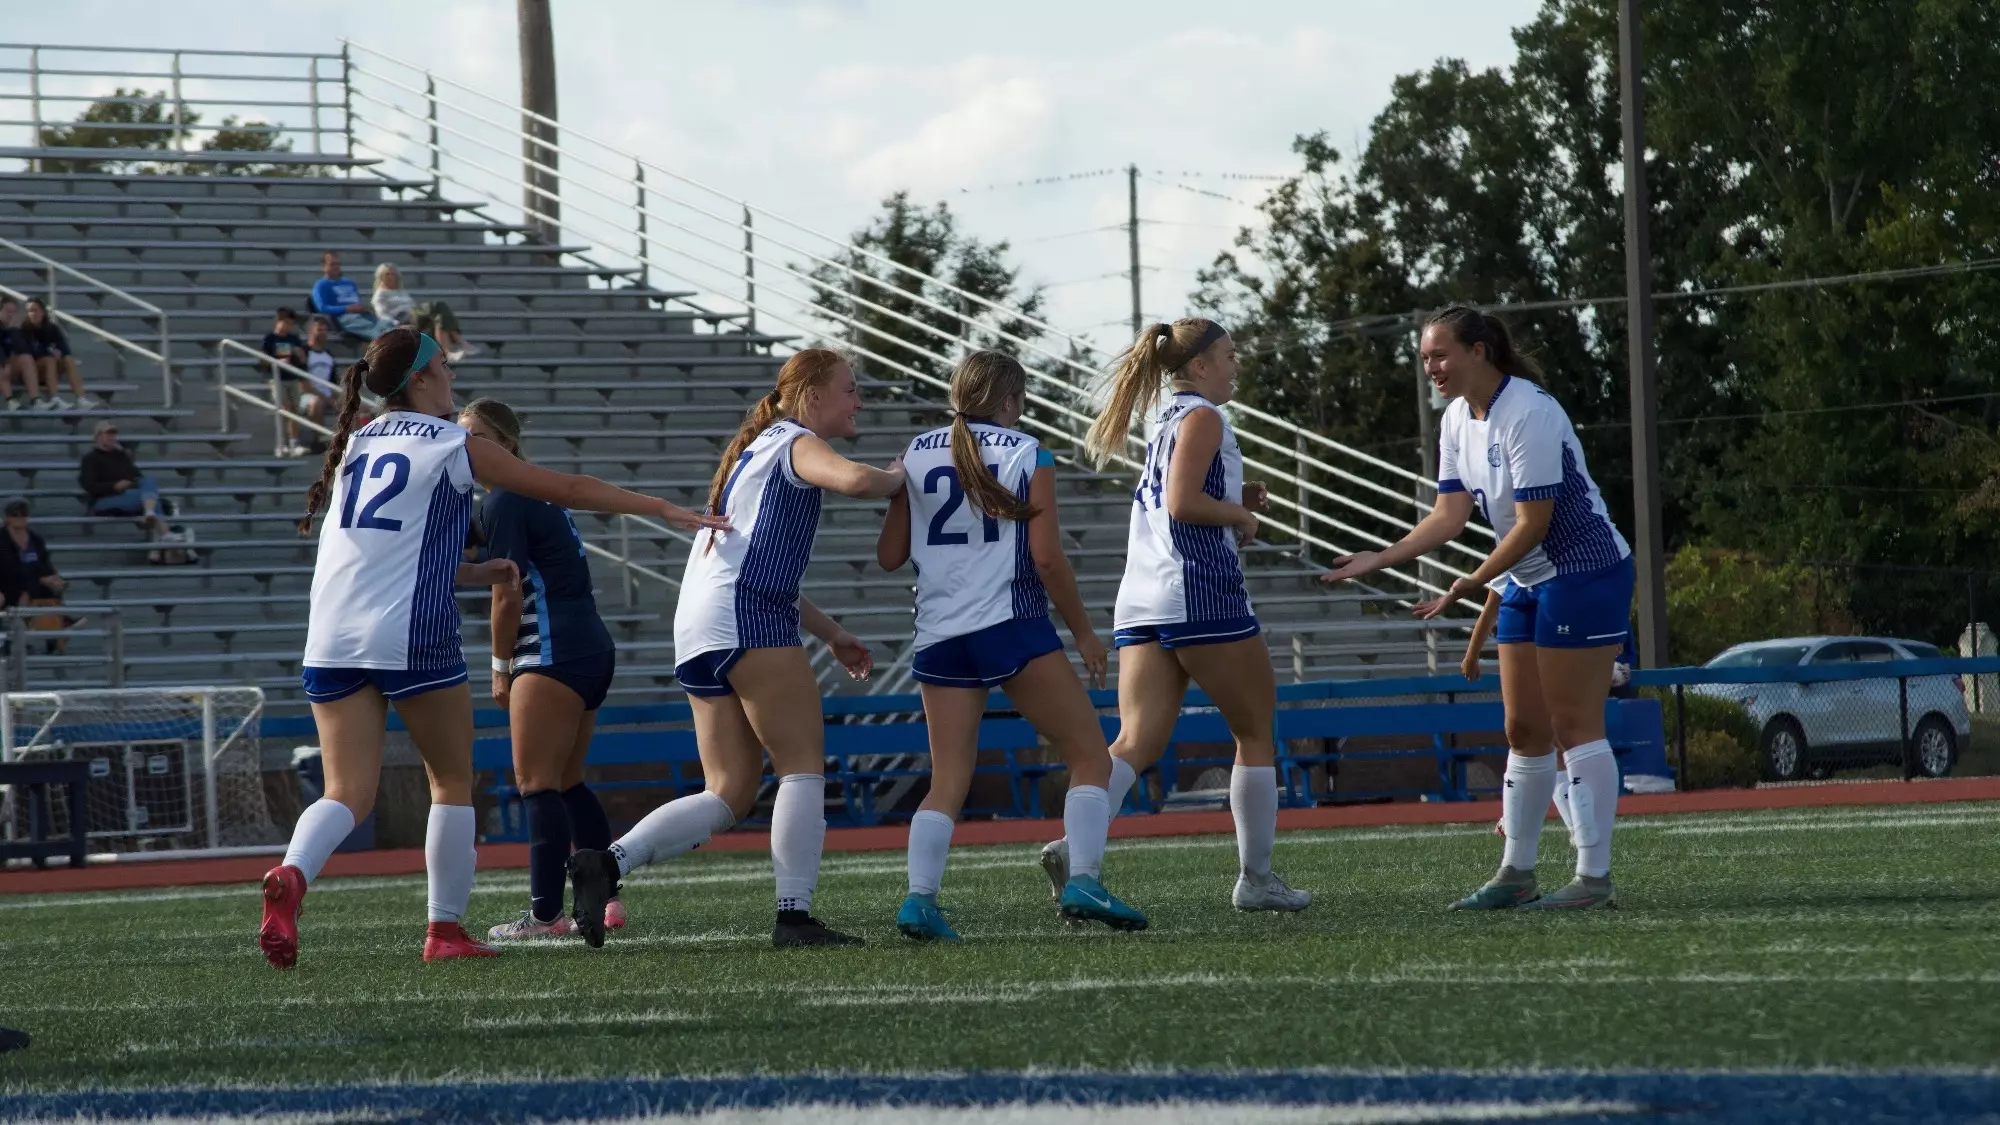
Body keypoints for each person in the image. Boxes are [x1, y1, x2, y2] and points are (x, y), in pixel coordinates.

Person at [257, 327, 728, 969]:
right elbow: (566, 488)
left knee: (344, 791)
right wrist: (665, 508)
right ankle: (444, 931)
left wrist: (478, 574)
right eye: (444, 367)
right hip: (410, 633)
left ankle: (293, 874)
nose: (452, 377)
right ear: (420, 379)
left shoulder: (355, 443)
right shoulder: (454, 443)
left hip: (330, 634)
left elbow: (397, 555)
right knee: (451, 782)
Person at [566, 348, 905, 951]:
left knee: (728, 792)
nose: (859, 401)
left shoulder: (755, 452)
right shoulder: (794, 440)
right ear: (810, 397)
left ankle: (608, 864)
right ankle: (794, 916)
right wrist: (904, 474)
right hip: (747, 616)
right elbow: (857, 481)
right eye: (850, 389)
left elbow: (752, 561)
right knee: (801, 764)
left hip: (702, 624)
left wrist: (829, 632)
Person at [1322, 305, 1632, 911]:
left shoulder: (1531, 411)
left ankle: (1594, 879)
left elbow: (1533, 526)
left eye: (1440, 356)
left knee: (1574, 726)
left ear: (1480, 352)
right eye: (1425, 359)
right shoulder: (1456, 420)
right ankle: (1516, 872)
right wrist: (1379, 558)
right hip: (1525, 575)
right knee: (1522, 729)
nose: (1431, 369)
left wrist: (1470, 582)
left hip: (1584, 570)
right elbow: (1449, 516)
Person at [1041, 319, 1312, 914]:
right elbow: (1185, 503)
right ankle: (1257, 881)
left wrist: (1238, 498)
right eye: (1228, 356)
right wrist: (1240, 518)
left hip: (1143, 594)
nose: (1235, 365)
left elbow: (1178, 493)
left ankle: (1076, 846)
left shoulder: (1165, 416)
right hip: (1199, 590)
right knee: (1256, 733)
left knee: (1134, 741)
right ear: (1197, 368)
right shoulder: (1205, 416)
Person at [876, 351, 1146, 941]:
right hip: (1008, 623)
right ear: (1008, 401)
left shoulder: (917, 452)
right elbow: (1047, 557)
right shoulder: (1027, 452)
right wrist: (1082, 632)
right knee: (1090, 757)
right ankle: (1085, 880)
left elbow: (890, 556)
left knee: (947, 779)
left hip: (939, 634)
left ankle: (919, 900)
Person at [458, 398, 627, 942]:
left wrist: (500, 665)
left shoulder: (507, 496)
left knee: (535, 784)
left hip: (550, 651)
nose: (464, 447)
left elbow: (507, 590)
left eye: (476, 437)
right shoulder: (527, 493)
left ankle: (546, 914)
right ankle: (609, 901)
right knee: (567, 781)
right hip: (588, 647)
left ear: (504, 445)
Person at [373, 262, 477, 362]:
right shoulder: (380, 294)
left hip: (414, 313)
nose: (391, 277)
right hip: (403, 318)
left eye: (393, 274)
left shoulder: (401, 291)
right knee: (438, 305)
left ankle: (449, 353)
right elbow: (382, 315)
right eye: (387, 274)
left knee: (439, 318)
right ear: (381, 276)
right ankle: (460, 342)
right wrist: (397, 324)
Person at [78, 420, 166, 534]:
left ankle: (151, 517)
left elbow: (137, 476)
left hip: (127, 494)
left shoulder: (121, 455)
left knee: (149, 481)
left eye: (113, 434)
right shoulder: (90, 459)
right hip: (103, 499)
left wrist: (129, 483)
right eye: (108, 434)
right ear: (98, 436)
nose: (112, 437)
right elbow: (90, 485)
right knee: (153, 500)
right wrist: (114, 486)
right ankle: (164, 536)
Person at [22, 299, 100, 411]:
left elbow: (65, 349)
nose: (32, 314)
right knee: (49, 359)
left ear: (42, 312)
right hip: (34, 372)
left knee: (68, 359)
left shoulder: (52, 328)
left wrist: (57, 353)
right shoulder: (25, 330)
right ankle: (55, 399)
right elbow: (31, 353)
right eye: (29, 311)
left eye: (35, 310)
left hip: (52, 368)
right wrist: (50, 351)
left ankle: (81, 399)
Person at [310, 251, 395, 341]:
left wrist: (362, 309)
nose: (336, 267)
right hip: (343, 318)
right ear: (323, 266)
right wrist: (347, 308)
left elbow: (356, 302)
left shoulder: (349, 283)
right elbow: (322, 308)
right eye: (332, 264)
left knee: (389, 325)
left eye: (338, 264)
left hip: (360, 315)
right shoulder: (321, 285)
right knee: (379, 333)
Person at [0, 297, 48, 412]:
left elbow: (24, 349)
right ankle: (11, 401)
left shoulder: (18, 328)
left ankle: (36, 400)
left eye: (13, 312)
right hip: (2, 366)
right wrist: (3, 362)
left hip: (9, 368)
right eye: (7, 311)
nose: (10, 315)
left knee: (26, 358)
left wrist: (14, 330)